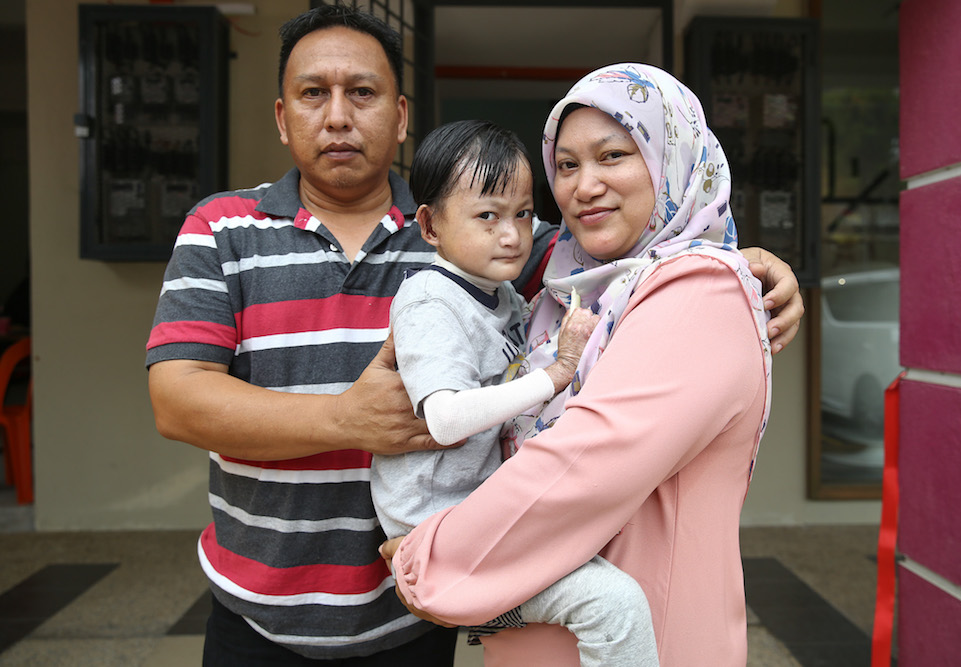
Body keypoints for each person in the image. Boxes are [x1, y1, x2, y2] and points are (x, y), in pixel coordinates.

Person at [145, 3, 802, 664]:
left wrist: (749, 266)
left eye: (362, 93)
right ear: (283, 117)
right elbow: (176, 399)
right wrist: (345, 420)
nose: (338, 115)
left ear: (400, 116)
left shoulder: (480, 234)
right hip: (258, 611)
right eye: (314, 93)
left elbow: (621, 253)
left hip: (415, 618)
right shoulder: (222, 229)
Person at [385, 63, 774, 666]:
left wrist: (429, 559)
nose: (584, 186)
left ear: (672, 156)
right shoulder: (569, 293)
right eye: (566, 165)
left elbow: (578, 467)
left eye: (613, 155)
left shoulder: (701, 291)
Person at [371, 119, 658, 667]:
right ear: (429, 226)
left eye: (523, 214)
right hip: (440, 536)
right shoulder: (430, 300)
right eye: (487, 216)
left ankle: (491, 610)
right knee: (615, 605)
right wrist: (553, 376)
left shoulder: (499, 295)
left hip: (478, 522)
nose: (511, 235)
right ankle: (483, 606)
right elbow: (446, 419)